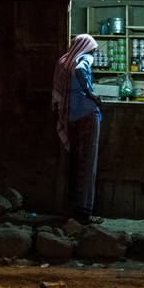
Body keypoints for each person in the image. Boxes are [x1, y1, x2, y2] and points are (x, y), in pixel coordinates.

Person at [50, 33, 104, 224]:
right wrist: (91, 93)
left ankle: (75, 209)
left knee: (77, 162)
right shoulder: (83, 58)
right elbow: (82, 69)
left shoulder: (64, 61)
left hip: (71, 116)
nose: (94, 52)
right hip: (88, 116)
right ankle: (84, 212)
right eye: (93, 49)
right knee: (89, 163)